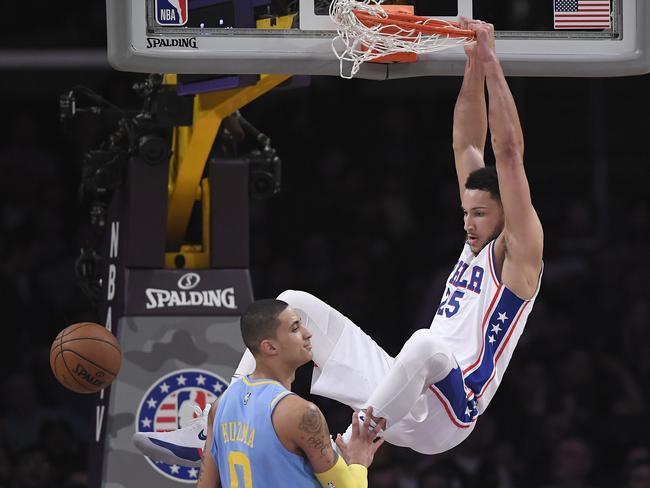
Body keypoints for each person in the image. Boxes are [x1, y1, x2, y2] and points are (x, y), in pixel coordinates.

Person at [134, 18, 543, 461]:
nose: (467, 222)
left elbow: (508, 153)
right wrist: (472, 66)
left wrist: (492, 60)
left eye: (479, 214)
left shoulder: (521, 256)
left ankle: (352, 447)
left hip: (452, 412)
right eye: (466, 212)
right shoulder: (476, 238)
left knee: (427, 343)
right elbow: (468, 146)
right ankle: (219, 424)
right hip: (402, 387)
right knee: (295, 305)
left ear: (509, 211)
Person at [139, 299, 384, 487]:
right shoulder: (302, 414)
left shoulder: (220, 406)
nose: (308, 334)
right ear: (270, 346)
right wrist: (359, 460)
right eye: (296, 328)